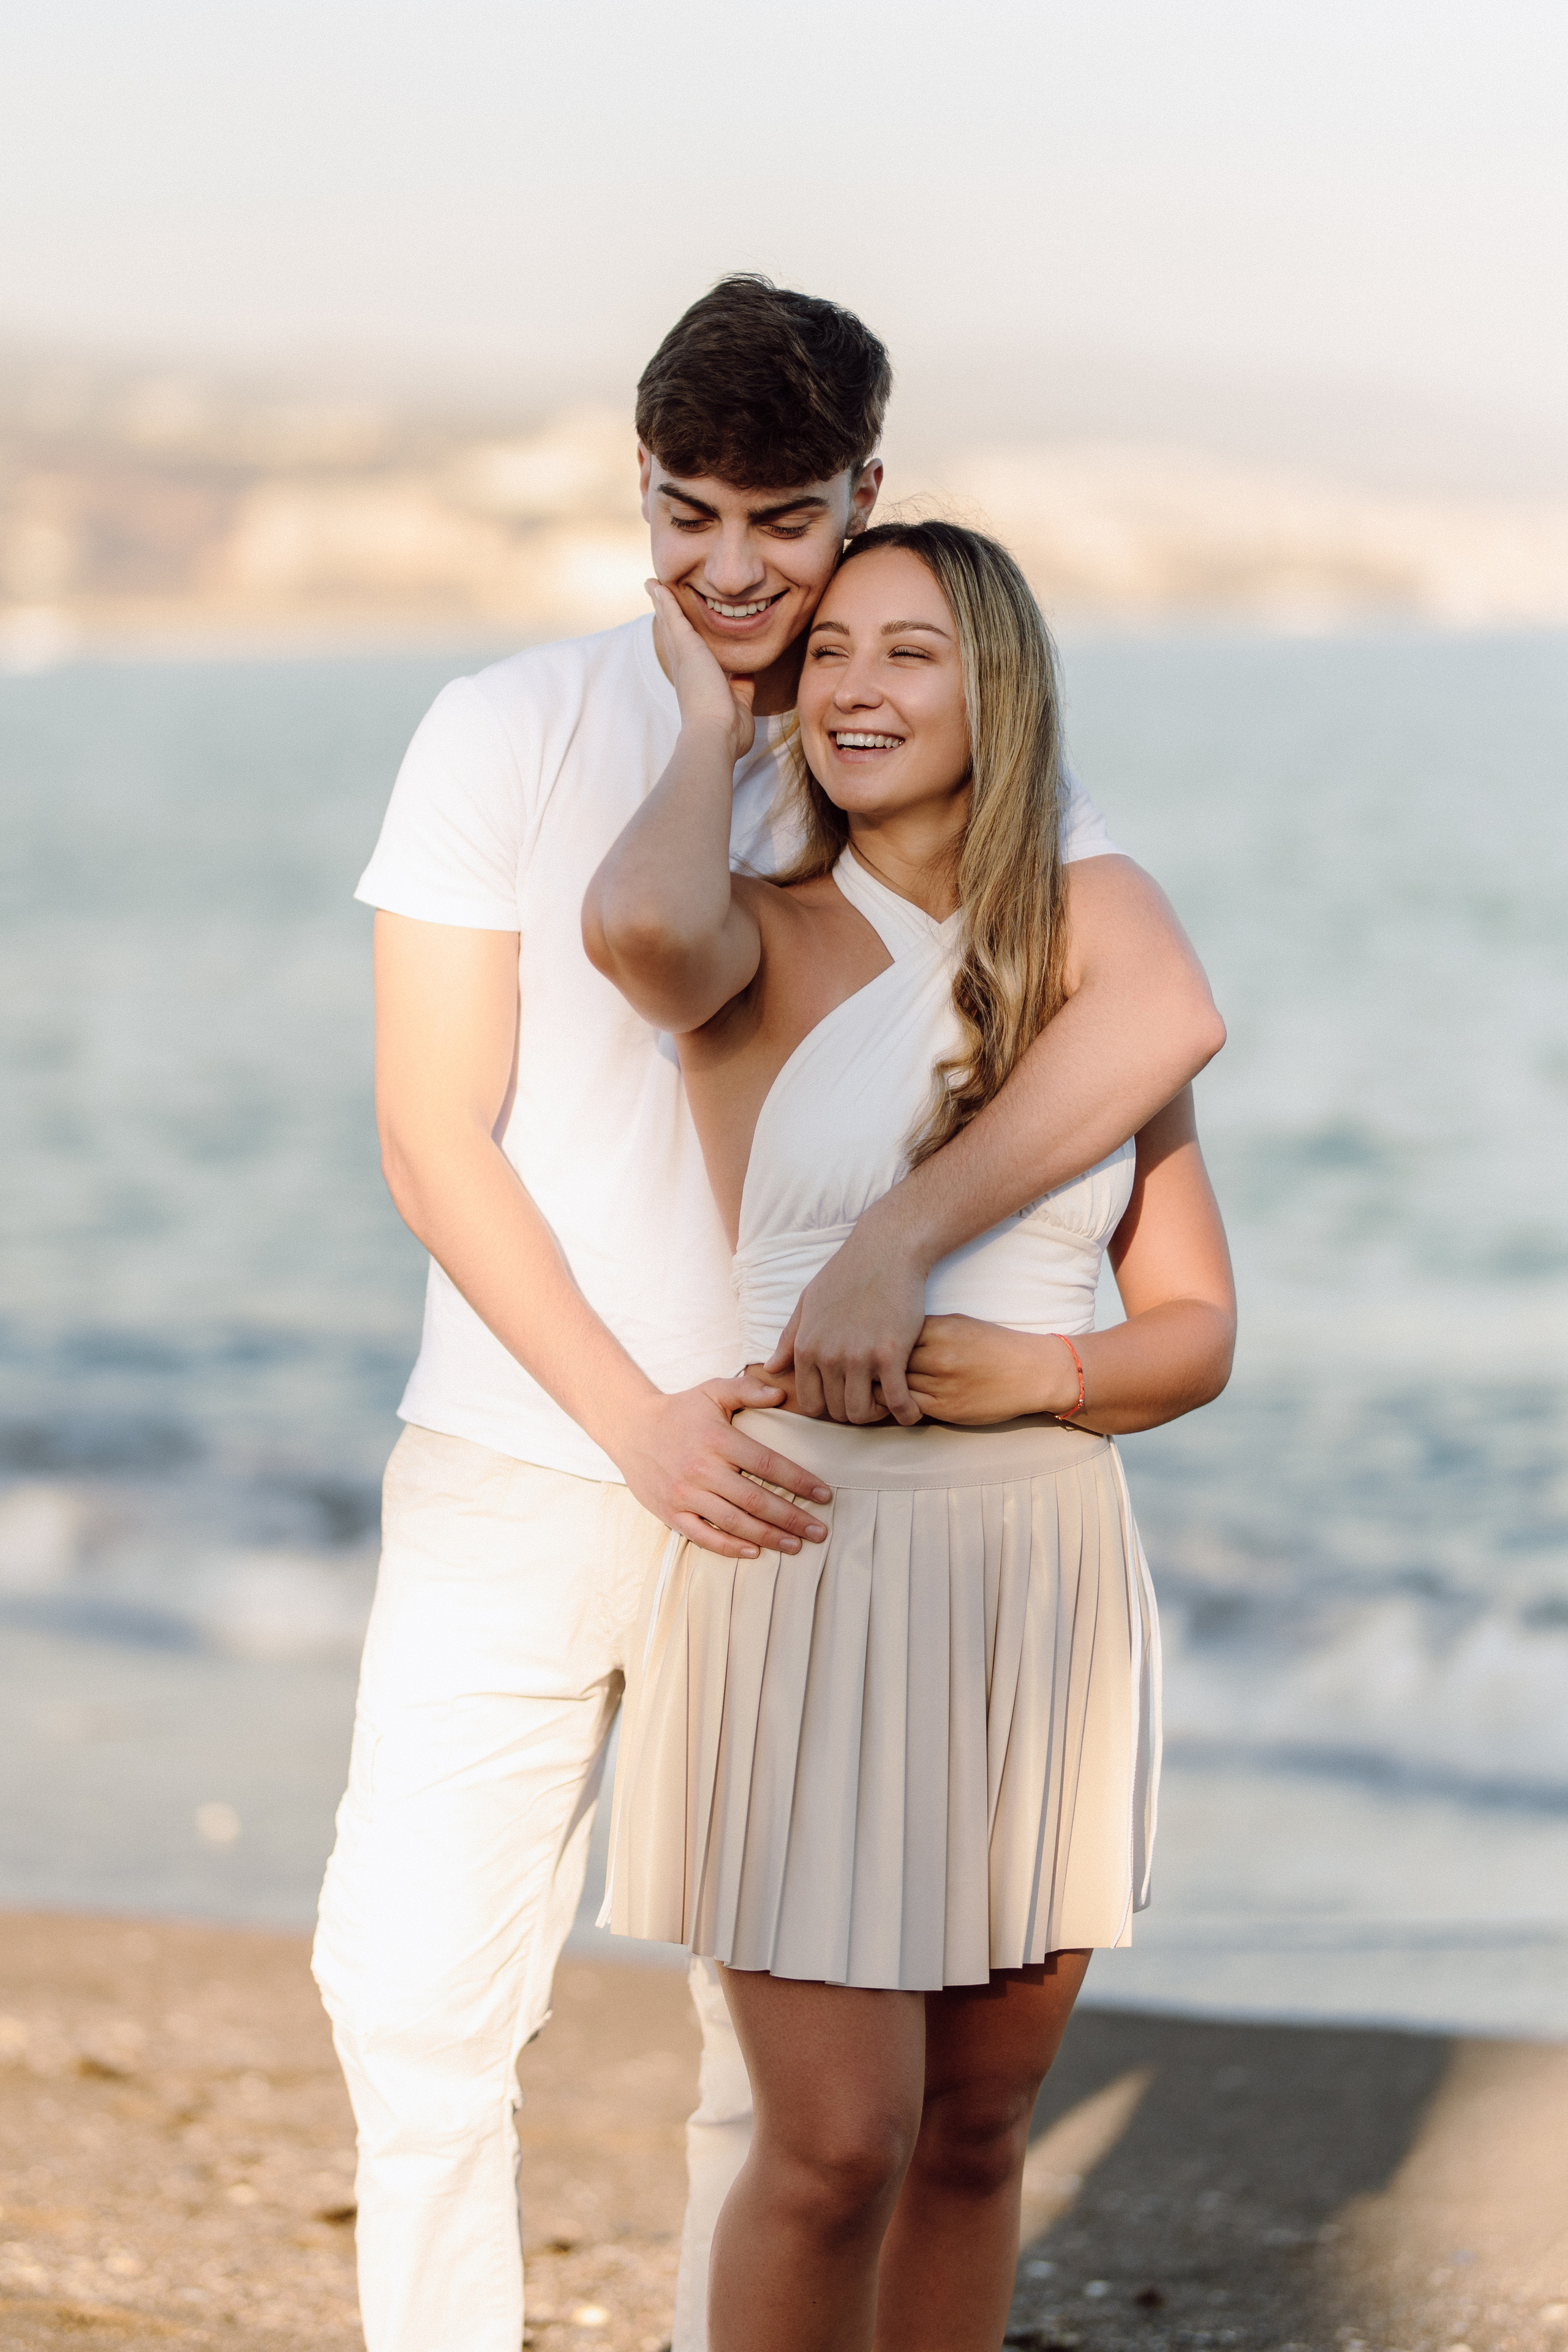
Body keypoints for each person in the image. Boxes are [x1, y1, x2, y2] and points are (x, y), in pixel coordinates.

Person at [313, 278, 1225, 2352]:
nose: (729, 570)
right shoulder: (508, 730)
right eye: (685, 514)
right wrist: (635, 1420)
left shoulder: (921, 748)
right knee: (420, 1993)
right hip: (537, 1445)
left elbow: (1148, 1008)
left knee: (792, 2095)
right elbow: (434, 1132)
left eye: (782, 522)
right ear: (638, 491)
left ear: (864, 497)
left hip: (819, 1503)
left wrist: (909, 1258)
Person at [584, 520, 1236, 2352]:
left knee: (974, 2134)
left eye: (912, 652)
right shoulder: (759, 928)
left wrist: (1043, 1372)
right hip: (810, 1566)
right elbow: (638, 929)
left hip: (1041, 1584)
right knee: (833, 2150)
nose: (857, 688)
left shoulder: (1087, 961)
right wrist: (708, 713)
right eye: (833, 651)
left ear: (995, 690)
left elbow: (1196, 1332)